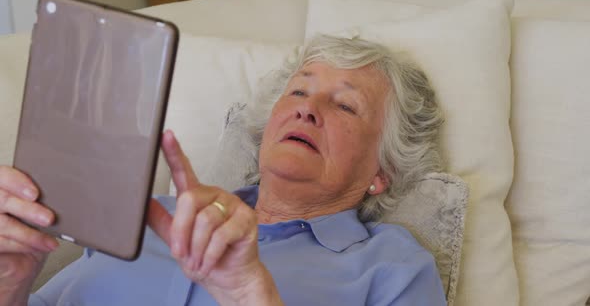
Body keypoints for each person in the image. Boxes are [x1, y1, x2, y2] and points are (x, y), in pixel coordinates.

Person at [0, 35, 446, 305]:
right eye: (296, 93)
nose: (307, 109)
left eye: (345, 105)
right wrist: (11, 282)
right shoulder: (149, 216)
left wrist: (253, 296)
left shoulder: (392, 267)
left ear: (383, 169)